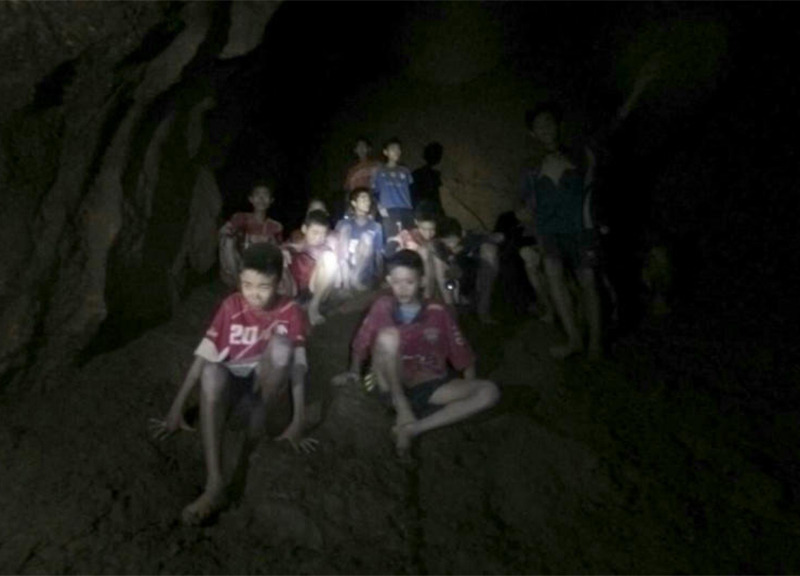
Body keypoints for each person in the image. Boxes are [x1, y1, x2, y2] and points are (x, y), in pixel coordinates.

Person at [149, 243, 317, 526]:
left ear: (279, 283)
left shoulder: (291, 311)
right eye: (247, 284)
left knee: (281, 346)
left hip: (269, 397)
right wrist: (176, 407)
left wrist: (298, 420)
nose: (253, 294)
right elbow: (204, 356)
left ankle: (257, 430)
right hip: (237, 389)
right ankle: (215, 484)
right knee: (212, 371)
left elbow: (298, 368)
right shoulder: (232, 305)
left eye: (263, 286)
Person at [332, 249, 500, 455]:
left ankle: (414, 429)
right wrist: (354, 372)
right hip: (385, 382)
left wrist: (468, 389)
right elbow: (362, 340)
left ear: (422, 281)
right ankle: (402, 408)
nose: (402, 289)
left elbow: (461, 353)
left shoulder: (438, 312)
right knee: (389, 337)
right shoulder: (383, 305)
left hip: (427, 384)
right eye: (397, 282)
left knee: (488, 391)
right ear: (389, 281)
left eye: (409, 282)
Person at [432, 217, 503, 325]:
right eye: (446, 242)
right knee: (443, 267)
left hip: (475, 272)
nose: (450, 244)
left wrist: (464, 248)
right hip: (455, 278)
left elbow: (498, 238)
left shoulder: (470, 239)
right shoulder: (438, 246)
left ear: (461, 234)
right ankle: (453, 311)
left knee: (490, 250)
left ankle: (483, 310)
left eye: (452, 240)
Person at [218, 180, 284, 288]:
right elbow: (223, 234)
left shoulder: (276, 226)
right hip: (238, 266)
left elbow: (278, 251)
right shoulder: (240, 218)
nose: (261, 199)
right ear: (251, 199)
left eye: (265, 195)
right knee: (227, 241)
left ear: (271, 201)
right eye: (257, 194)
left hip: (261, 267)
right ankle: (240, 284)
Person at [282, 209, 340, 326]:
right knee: (280, 259)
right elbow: (288, 247)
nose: (319, 238)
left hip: (315, 289)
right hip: (294, 289)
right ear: (304, 229)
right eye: (315, 233)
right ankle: (286, 307)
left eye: (323, 234)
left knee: (329, 258)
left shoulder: (325, 248)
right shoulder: (297, 243)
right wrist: (284, 251)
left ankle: (313, 306)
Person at [335, 187, 384, 292]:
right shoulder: (343, 223)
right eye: (363, 199)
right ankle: (346, 283)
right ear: (354, 203)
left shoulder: (376, 226)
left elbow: (378, 254)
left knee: (367, 237)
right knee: (345, 228)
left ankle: (355, 278)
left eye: (368, 199)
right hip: (346, 269)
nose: (367, 202)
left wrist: (380, 277)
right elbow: (335, 248)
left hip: (364, 270)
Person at [385, 204, 438, 299]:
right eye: (424, 229)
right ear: (416, 222)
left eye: (432, 229)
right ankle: (427, 296)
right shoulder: (408, 236)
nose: (428, 233)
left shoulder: (434, 240)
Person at [372, 137, 414, 240]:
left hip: (406, 208)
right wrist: (380, 207)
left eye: (398, 149)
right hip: (389, 209)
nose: (397, 152)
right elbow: (374, 192)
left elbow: (411, 189)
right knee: (393, 240)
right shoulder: (379, 171)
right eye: (393, 149)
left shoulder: (405, 170)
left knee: (409, 240)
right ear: (385, 152)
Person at [343, 137, 382, 215]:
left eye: (364, 146)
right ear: (355, 150)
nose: (361, 149)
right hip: (357, 201)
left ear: (368, 149)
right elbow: (348, 189)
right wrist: (348, 205)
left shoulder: (376, 165)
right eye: (359, 147)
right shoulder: (352, 170)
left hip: (372, 200)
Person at [411, 141, 444, 216]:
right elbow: (435, 196)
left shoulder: (416, 173)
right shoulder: (433, 175)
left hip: (420, 210)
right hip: (425, 210)